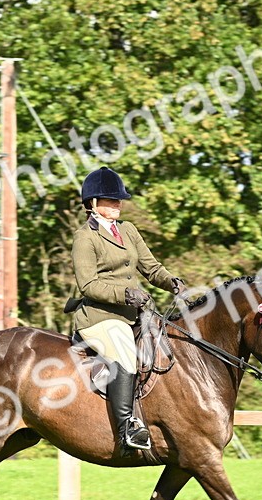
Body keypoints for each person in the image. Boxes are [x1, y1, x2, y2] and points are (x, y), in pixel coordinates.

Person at [67, 166, 184, 452]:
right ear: (92, 204)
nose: (118, 204)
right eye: (110, 200)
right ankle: (126, 429)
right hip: (99, 317)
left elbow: (151, 267)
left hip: (134, 313)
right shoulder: (85, 238)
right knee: (125, 354)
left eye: (119, 199)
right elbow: (88, 285)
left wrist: (173, 283)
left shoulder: (128, 230)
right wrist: (125, 294)